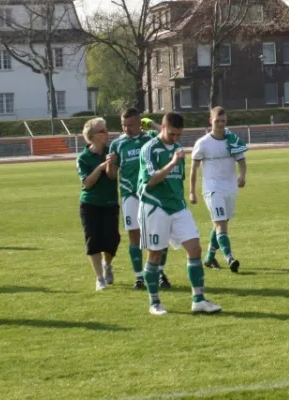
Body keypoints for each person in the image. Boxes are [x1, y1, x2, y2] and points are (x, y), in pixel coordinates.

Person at [138, 111, 222, 315]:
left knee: (195, 249)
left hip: (177, 206)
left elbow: (177, 180)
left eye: (179, 135)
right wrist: (172, 163)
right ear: (163, 128)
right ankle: (154, 303)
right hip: (154, 206)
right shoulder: (150, 149)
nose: (176, 139)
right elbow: (151, 180)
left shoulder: (176, 148)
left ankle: (198, 300)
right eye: (172, 134)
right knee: (155, 255)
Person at [109, 108, 171, 290]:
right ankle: (139, 277)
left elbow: (168, 135)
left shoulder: (150, 137)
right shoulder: (117, 144)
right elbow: (112, 175)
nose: (127, 129)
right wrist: (110, 165)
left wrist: (151, 123)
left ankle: (159, 273)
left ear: (139, 123)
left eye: (131, 125)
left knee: (159, 234)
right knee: (134, 235)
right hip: (130, 194)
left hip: (152, 194)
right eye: (124, 125)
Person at [190, 106, 247, 273]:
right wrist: (192, 192)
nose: (220, 124)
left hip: (230, 188)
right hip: (212, 189)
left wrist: (242, 175)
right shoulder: (203, 143)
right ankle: (229, 257)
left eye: (223, 121)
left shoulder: (232, 140)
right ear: (210, 121)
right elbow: (193, 168)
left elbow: (241, 161)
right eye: (217, 121)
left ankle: (209, 257)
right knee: (221, 223)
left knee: (221, 223)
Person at [76, 117, 121, 291]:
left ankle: (107, 264)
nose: (107, 132)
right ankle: (100, 278)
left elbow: (112, 177)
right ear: (94, 136)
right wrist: (100, 167)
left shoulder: (111, 151)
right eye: (102, 130)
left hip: (109, 202)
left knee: (112, 240)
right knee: (93, 241)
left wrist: (110, 165)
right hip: (90, 204)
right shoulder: (83, 158)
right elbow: (87, 183)